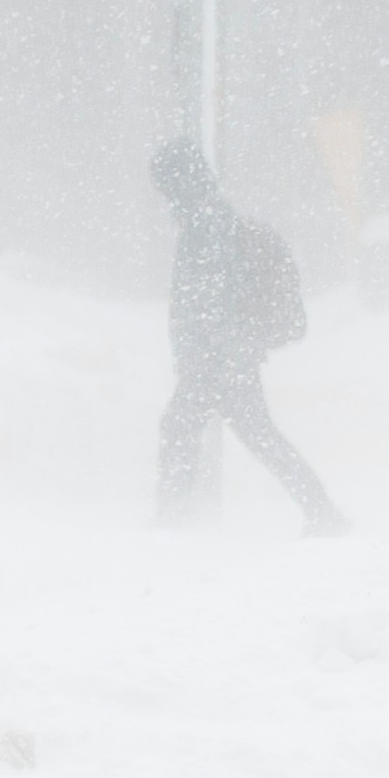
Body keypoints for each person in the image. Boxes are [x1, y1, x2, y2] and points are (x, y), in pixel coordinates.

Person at [152, 137, 345, 535]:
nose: (163, 195)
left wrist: (210, 359)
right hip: (226, 357)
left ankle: (171, 521)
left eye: (165, 184)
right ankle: (321, 510)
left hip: (218, 359)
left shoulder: (206, 225)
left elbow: (211, 299)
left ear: (178, 182)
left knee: (184, 429)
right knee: (254, 437)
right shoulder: (211, 218)